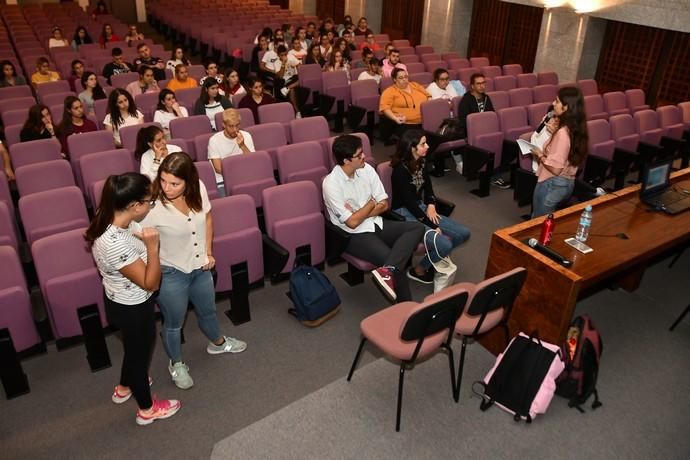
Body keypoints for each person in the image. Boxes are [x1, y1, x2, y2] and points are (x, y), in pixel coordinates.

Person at [141, 152, 247, 390]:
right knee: (174, 323)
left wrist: (208, 252)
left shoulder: (197, 187)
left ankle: (218, 343)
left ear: (188, 181)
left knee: (208, 312)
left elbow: (207, 217)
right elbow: (138, 240)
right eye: (163, 180)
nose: (167, 187)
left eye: (174, 183)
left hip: (200, 268)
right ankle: (176, 363)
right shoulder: (151, 206)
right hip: (171, 273)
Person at [85, 172, 181, 426]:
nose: (151, 205)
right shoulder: (114, 242)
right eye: (148, 202)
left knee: (134, 348)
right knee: (140, 357)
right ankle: (147, 410)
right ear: (134, 206)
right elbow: (151, 283)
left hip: (122, 300)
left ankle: (124, 387)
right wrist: (152, 246)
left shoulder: (111, 216)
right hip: (132, 306)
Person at [323, 134, 424, 302]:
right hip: (353, 236)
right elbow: (352, 223)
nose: (364, 156)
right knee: (391, 260)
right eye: (359, 154)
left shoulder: (367, 169)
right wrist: (370, 204)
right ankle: (406, 306)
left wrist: (359, 212)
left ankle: (388, 270)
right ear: (346, 160)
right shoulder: (331, 184)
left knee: (416, 228)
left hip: (376, 223)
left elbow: (384, 204)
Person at [390, 129, 471, 282]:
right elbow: (408, 203)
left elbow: (428, 189)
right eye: (423, 144)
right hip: (403, 213)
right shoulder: (399, 171)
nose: (427, 146)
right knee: (445, 245)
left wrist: (431, 204)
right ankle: (419, 270)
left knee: (464, 233)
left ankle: (433, 258)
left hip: (420, 207)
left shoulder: (421, 162)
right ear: (412, 148)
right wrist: (431, 225)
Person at [531, 87, 588, 217]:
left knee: (538, 222)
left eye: (557, 101)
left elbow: (555, 169)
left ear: (566, 107)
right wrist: (553, 134)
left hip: (552, 183)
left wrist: (539, 154)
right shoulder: (575, 128)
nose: (553, 104)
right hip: (567, 183)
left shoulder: (562, 133)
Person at [456, 73, 508, 188]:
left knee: (500, 142)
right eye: (478, 84)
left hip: (486, 131)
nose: (482, 86)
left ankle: (494, 173)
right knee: (489, 145)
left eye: (484, 83)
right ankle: (492, 176)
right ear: (472, 86)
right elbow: (463, 121)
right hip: (472, 133)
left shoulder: (486, 98)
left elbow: (492, 115)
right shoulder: (466, 100)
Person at [379, 68, 430, 144]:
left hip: (426, 120)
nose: (404, 79)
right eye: (401, 78)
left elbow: (428, 95)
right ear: (394, 79)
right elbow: (385, 108)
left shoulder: (415, 85)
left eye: (406, 77)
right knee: (421, 141)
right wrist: (395, 118)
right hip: (407, 123)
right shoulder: (389, 92)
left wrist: (429, 106)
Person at [207, 108, 255, 185]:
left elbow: (252, 162)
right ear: (223, 125)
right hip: (222, 180)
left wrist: (242, 145)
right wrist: (237, 175)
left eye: (237, 125)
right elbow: (218, 168)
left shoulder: (246, 136)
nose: (235, 129)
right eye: (231, 126)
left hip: (245, 176)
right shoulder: (214, 140)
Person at [261, 45, 300, 113]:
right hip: (285, 81)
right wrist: (283, 64)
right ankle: (297, 112)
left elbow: (299, 66)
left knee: (300, 78)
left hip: (293, 79)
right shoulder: (276, 62)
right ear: (278, 55)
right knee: (292, 89)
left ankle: (287, 88)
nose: (284, 56)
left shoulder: (291, 57)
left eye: (285, 54)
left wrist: (297, 67)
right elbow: (280, 76)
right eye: (282, 55)